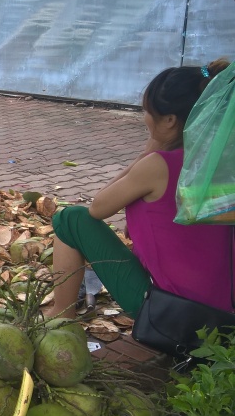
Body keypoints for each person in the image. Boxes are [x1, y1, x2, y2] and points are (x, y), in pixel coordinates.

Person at [47, 59, 234, 319]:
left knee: (70, 219)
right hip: (221, 314)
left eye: (147, 111)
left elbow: (97, 209)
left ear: (169, 120)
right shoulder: (222, 164)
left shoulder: (158, 166)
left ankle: (60, 316)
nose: (144, 117)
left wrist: (148, 152)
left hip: (171, 315)